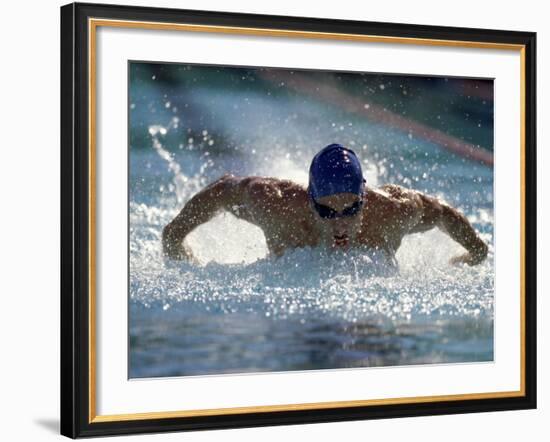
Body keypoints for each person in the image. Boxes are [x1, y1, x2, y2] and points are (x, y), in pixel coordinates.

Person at [162, 143, 488, 266]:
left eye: (350, 209)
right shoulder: (278, 208)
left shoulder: (392, 211)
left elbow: (442, 213)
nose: (339, 223)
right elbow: (225, 190)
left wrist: (475, 250)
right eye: (326, 211)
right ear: (310, 200)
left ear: (365, 198)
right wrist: (175, 237)